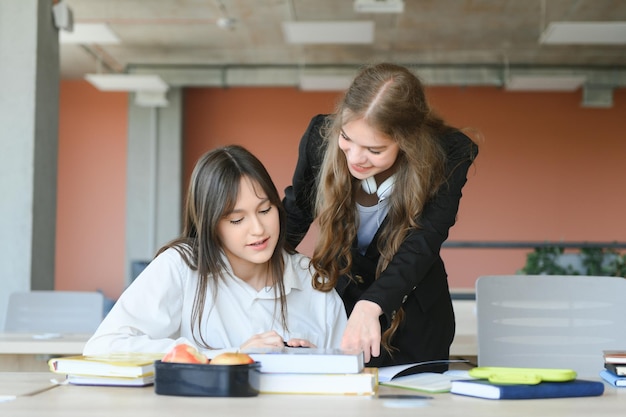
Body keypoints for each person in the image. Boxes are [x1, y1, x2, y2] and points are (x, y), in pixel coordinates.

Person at [283, 63, 479, 370]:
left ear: (408, 141)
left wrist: (373, 304)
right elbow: (295, 215)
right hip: (340, 306)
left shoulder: (448, 153)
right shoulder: (319, 139)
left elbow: (424, 241)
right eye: (347, 138)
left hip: (415, 317)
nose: (355, 157)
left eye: (374, 150)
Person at [84, 145, 347, 356]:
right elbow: (105, 346)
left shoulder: (312, 279)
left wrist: (320, 365)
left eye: (265, 210)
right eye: (236, 219)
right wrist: (229, 356)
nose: (258, 229)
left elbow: (347, 375)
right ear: (210, 224)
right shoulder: (182, 266)